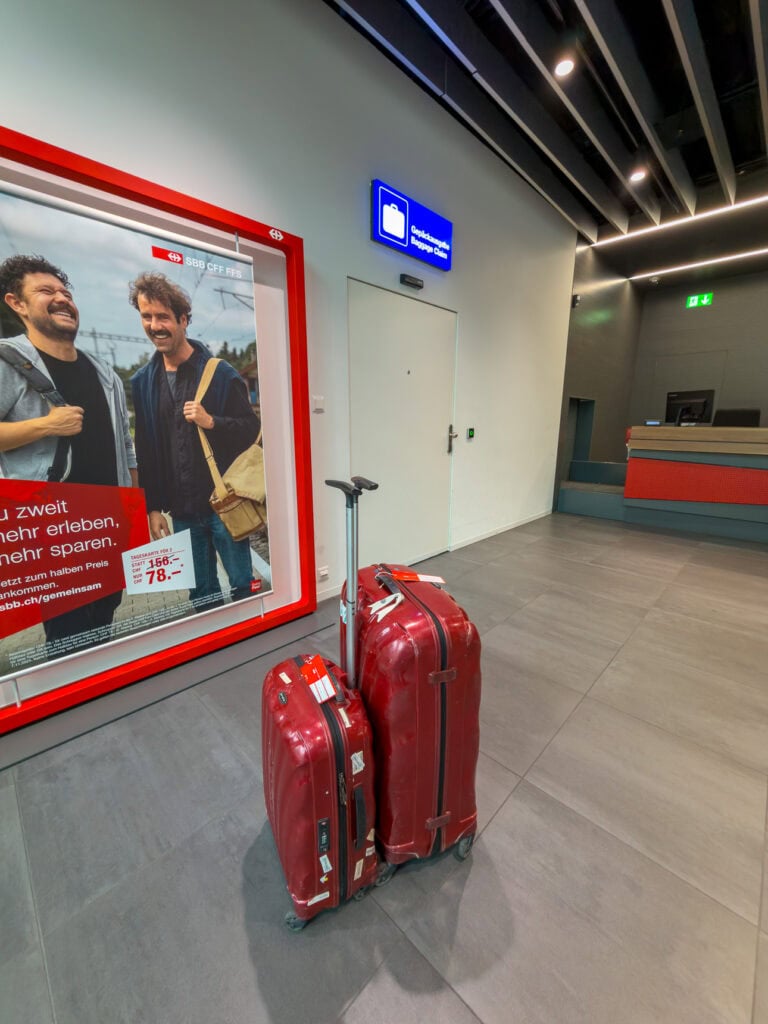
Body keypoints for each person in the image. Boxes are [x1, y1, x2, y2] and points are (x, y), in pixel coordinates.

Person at [0, 253, 137, 654]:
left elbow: (124, 442)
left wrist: (134, 503)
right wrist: (45, 425)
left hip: (108, 523)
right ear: (17, 304)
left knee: (105, 612)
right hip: (55, 532)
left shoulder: (103, 371)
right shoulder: (8, 361)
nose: (61, 298)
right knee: (69, 630)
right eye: (46, 291)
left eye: (65, 292)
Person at [129, 272, 258, 611]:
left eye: (163, 317)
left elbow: (250, 429)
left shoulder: (220, 373)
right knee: (201, 596)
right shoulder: (143, 381)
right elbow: (146, 449)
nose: (154, 325)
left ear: (183, 320)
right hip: (181, 511)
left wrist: (211, 421)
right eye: (147, 316)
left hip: (222, 504)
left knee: (243, 586)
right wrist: (152, 507)